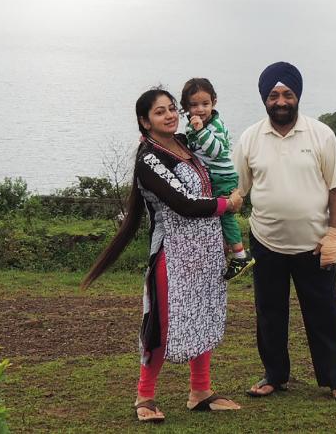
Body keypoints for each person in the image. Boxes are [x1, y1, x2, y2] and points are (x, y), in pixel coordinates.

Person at [81, 88, 243, 423]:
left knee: (204, 313)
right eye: (160, 112)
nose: (170, 115)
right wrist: (228, 205)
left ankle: (200, 391)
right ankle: (145, 396)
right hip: (173, 252)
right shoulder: (149, 159)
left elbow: (218, 155)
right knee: (160, 321)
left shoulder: (186, 143)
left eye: (172, 109)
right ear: (144, 121)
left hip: (207, 250)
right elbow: (182, 203)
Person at [232, 62, 336, 401]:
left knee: (324, 314)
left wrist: (334, 233)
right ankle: (274, 375)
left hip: (315, 244)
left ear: (297, 95)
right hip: (266, 242)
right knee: (270, 314)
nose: (281, 101)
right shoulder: (250, 138)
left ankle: (335, 378)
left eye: (287, 94)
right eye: (273, 95)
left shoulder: (321, 134)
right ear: (264, 100)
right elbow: (238, 191)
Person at [181, 77, 255, 280]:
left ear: (214, 102)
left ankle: (240, 254)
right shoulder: (191, 125)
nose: (200, 109)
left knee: (226, 214)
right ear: (186, 107)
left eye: (205, 104)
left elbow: (215, 151)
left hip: (222, 177)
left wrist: (200, 130)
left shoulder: (215, 126)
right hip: (210, 177)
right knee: (213, 216)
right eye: (194, 105)